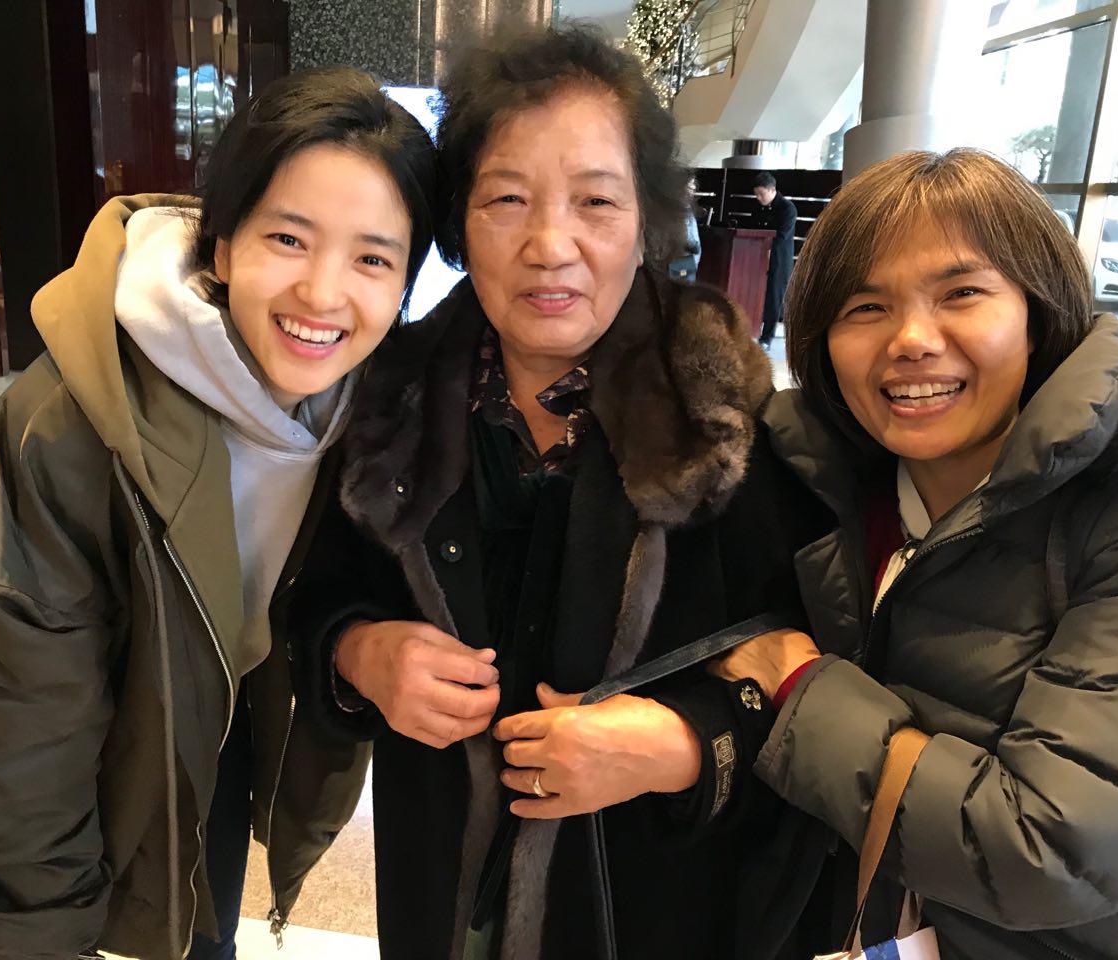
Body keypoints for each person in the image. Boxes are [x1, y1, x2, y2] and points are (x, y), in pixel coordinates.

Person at [0, 68, 438, 960]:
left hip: (205, 748)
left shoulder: (360, 417)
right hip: (75, 780)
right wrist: (38, 932)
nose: (324, 295)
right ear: (223, 246)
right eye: (288, 238)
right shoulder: (75, 421)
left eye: (372, 258)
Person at [287, 24, 830, 960]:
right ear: (458, 223)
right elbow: (312, 601)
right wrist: (359, 653)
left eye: (596, 201)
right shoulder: (387, 402)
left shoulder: (725, 421)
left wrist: (683, 745)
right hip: (439, 892)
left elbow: (805, 672)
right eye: (507, 199)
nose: (550, 245)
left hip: (646, 906)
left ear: (647, 221)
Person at [713, 148, 1118, 959]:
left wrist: (800, 685)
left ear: (1039, 311)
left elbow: (1052, 853)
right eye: (865, 307)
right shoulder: (817, 485)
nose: (911, 340)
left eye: (962, 293)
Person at [749, 171, 797, 348]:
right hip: (758, 258)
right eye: (756, 194)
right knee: (754, 293)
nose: (758, 198)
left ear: (772, 190)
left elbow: (782, 236)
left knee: (773, 298)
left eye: (761, 194)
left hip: (778, 260)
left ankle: (766, 337)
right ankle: (751, 330)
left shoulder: (787, 208)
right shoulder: (759, 207)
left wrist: (767, 247)